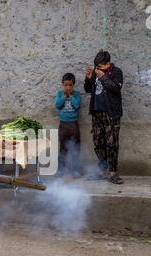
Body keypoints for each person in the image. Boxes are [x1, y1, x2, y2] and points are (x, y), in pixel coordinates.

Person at [84, 50, 124, 184]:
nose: (97, 69)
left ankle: (113, 173)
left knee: (112, 143)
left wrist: (102, 77)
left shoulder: (116, 72)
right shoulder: (96, 72)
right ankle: (102, 171)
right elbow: (89, 90)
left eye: (100, 66)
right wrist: (89, 78)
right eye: (96, 66)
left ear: (108, 64)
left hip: (111, 113)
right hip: (97, 113)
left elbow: (115, 89)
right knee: (98, 143)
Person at [55, 73, 82, 177]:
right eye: (66, 85)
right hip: (63, 125)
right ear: (62, 84)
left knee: (76, 148)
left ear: (73, 85)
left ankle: (75, 170)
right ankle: (61, 170)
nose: (68, 87)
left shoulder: (76, 94)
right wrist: (64, 96)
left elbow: (77, 106)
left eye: (70, 85)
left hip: (74, 125)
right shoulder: (59, 94)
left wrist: (70, 96)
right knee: (63, 148)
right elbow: (58, 105)